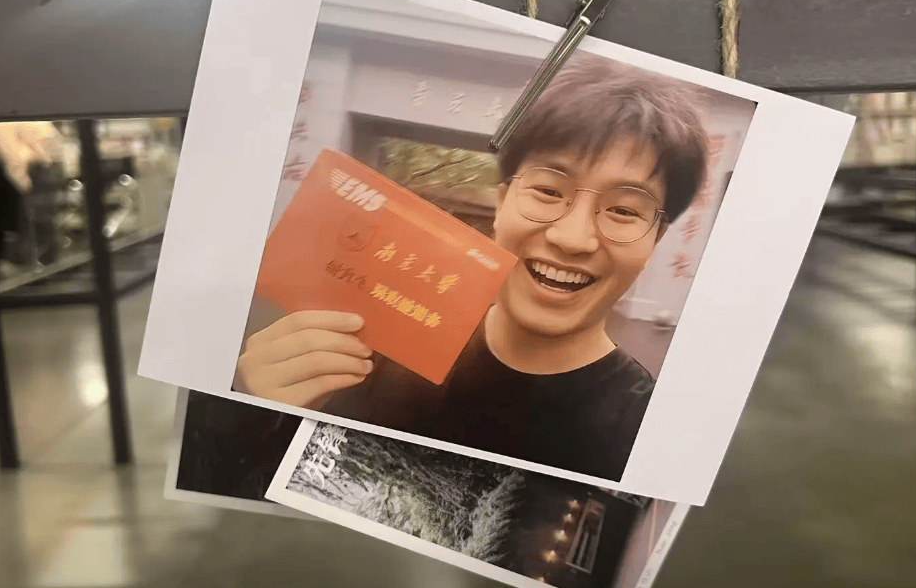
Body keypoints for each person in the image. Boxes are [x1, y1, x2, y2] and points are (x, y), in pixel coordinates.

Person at [235, 54, 708, 480]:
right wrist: (250, 413)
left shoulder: (648, 438)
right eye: (548, 191)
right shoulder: (375, 342)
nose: (572, 238)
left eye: (624, 210)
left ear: (655, 238)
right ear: (501, 203)